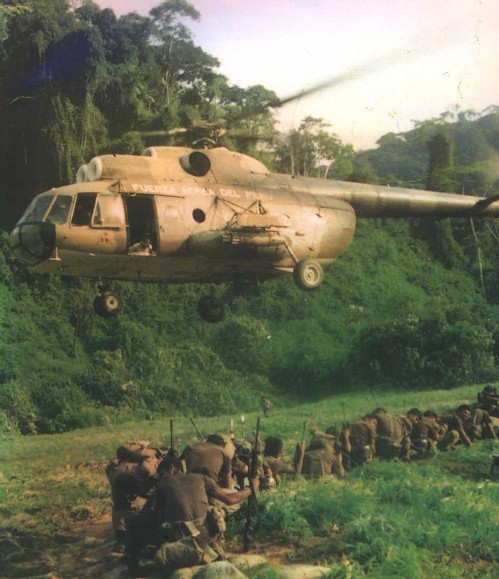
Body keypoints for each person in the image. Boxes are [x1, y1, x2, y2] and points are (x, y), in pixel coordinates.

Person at [154, 456, 258, 574]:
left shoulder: (163, 485)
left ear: (171, 469)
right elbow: (231, 499)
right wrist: (251, 488)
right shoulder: (202, 478)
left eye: (162, 475)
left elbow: (152, 518)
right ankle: (210, 552)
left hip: (181, 540)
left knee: (160, 554)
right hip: (208, 538)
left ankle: (198, 555)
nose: (161, 479)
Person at [106, 441, 162, 553]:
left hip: (141, 478)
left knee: (155, 499)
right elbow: (119, 506)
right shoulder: (116, 477)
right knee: (119, 506)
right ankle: (122, 541)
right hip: (127, 481)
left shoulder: (146, 470)